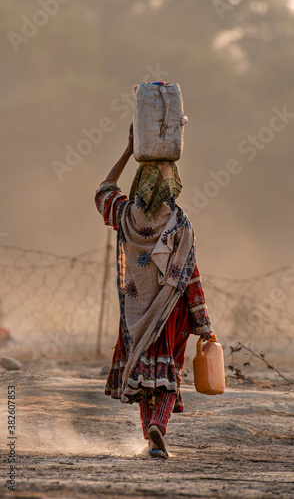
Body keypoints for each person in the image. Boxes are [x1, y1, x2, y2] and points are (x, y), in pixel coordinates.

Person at [95, 123, 213, 459]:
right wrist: (203, 323)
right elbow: (190, 274)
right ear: (172, 184)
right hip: (170, 311)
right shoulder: (179, 223)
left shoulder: (126, 216)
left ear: (140, 184)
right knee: (166, 373)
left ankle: (151, 439)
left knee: (144, 372)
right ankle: (157, 427)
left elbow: (103, 190)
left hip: (134, 313)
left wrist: (128, 151)